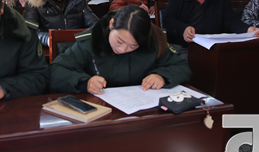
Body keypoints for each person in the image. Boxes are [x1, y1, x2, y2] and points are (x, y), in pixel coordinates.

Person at [50, 5, 191, 94]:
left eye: (133, 46)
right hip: (100, 112)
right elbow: (55, 71)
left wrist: (162, 76)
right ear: (111, 24)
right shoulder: (90, 42)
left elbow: (182, 66)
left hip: (143, 111)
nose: (123, 49)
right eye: (119, 41)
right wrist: (84, 82)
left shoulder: (153, 41)